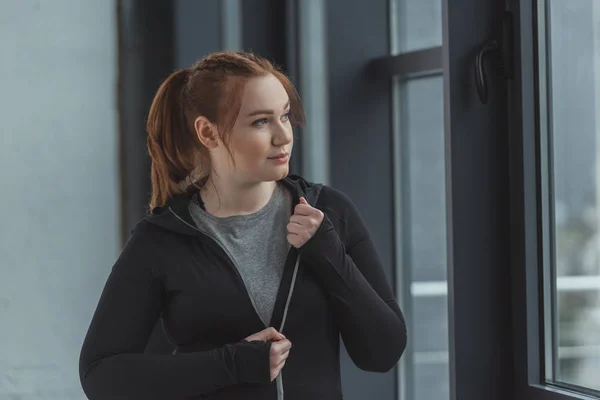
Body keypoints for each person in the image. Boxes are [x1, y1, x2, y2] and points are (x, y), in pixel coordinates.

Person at [79, 51, 407, 400]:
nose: (283, 136)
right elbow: (101, 374)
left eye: (284, 116)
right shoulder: (161, 240)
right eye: (260, 122)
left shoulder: (329, 213)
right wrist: (230, 364)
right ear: (208, 133)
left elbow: (383, 352)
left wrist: (328, 253)